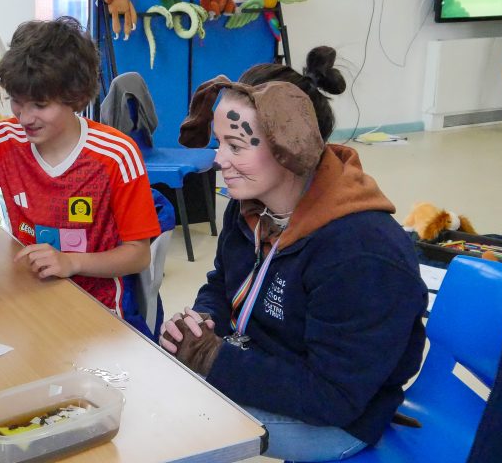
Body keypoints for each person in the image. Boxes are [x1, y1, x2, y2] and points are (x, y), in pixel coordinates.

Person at [163, 52, 427, 462]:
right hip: (270, 367)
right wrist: (204, 320)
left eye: (235, 145)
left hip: (337, 421)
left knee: (178, 425)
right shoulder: (252, 201)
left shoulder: (362, 255)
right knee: (157, 392)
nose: (218, 160)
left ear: (292, 149)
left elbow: (332, 398)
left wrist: (214, 358)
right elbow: (224, 280)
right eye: (219, 144)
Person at [0, 17, 162, 337]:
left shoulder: (116, 155)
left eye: (41, 105)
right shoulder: (1, 143)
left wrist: (71, 262)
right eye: (17, 100)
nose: (25, 117)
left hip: (96, 309)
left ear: (75, 97)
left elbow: (138, 255)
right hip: (26, 297)